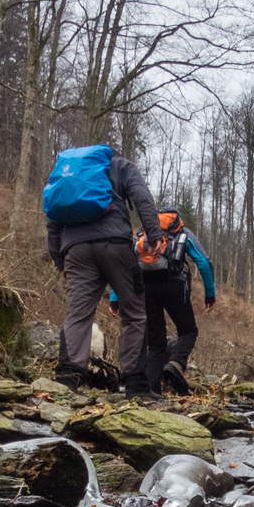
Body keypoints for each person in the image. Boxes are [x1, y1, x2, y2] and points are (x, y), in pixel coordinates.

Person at [43, 144, 162, 393]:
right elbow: (142, 196)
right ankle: (136, 383)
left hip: (75, 250)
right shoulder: (120, 166)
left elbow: (52, 219)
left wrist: (60, 262)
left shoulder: (69, 175)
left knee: (78, 313)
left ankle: (67, 378)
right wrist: (154, 234)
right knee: (135, 310)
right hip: (115, 244)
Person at [109, 207, 215, 395]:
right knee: (188, 331)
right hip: (173, 285)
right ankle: (175, 363)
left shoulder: (144, 233)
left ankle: (152, 390)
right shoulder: (182, 232)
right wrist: (210, 293)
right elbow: (204, 262)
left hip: (146, 288)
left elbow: (127, 265)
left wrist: (115, 298)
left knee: (156, 343)